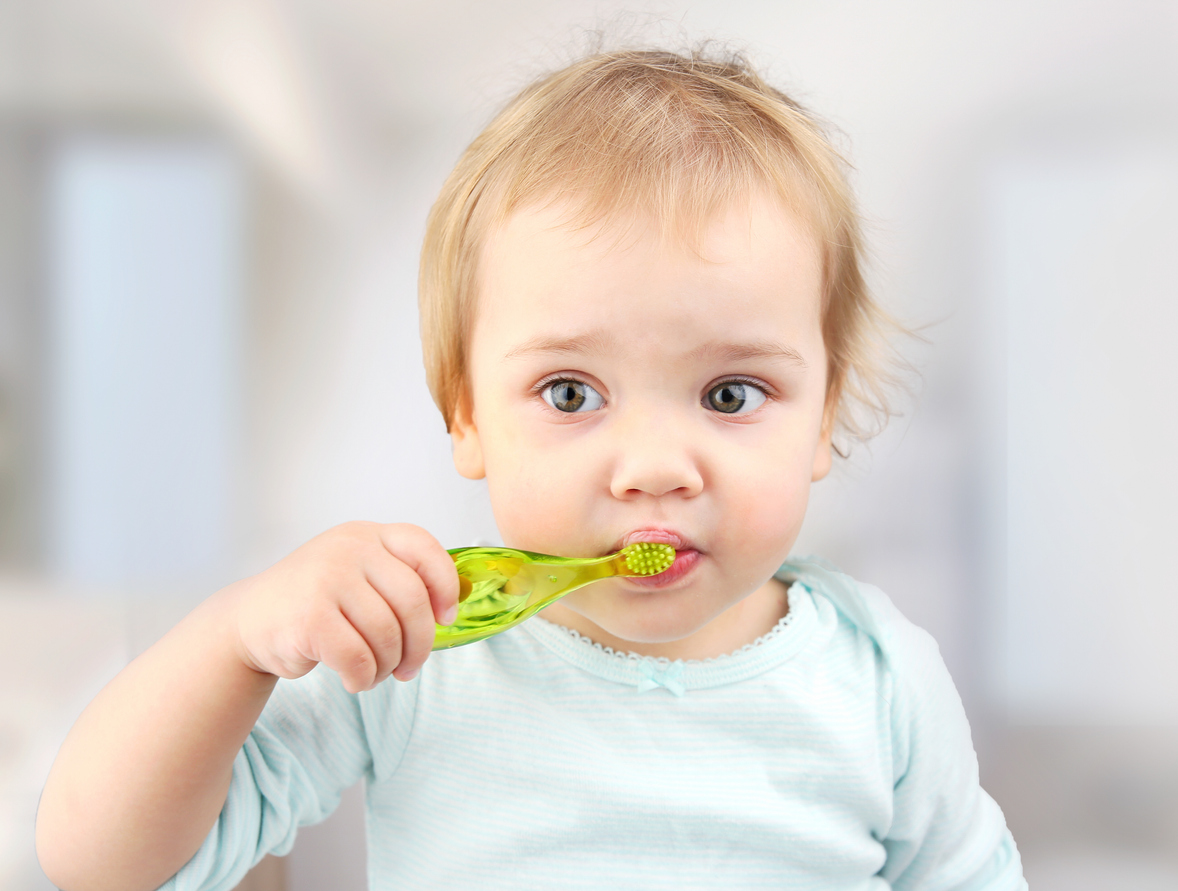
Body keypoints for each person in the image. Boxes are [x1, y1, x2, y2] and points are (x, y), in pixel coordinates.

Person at [36, 48, 1027, 890]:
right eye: (569, 394)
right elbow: (98, 861)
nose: (650, 469)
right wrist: (232, 642)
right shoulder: (416, 649)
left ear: (822, 415)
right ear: (464, 414)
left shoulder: (879, 678)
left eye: (729, 395)